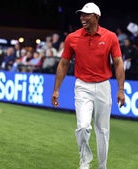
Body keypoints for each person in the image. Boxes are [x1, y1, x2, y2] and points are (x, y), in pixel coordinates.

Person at [51, 2, 125, 169]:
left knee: (103, 130)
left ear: (96, 17)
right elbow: (63, 64)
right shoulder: (72, 38)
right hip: (82, 86)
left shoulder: (110, 37)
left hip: (103, 86)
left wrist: (120, 90)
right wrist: (56, 90)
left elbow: (118, 63)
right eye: (81, 15)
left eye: (86, 15)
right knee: (83, 127)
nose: (82, 18)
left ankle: (102, 166)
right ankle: (84, 163)